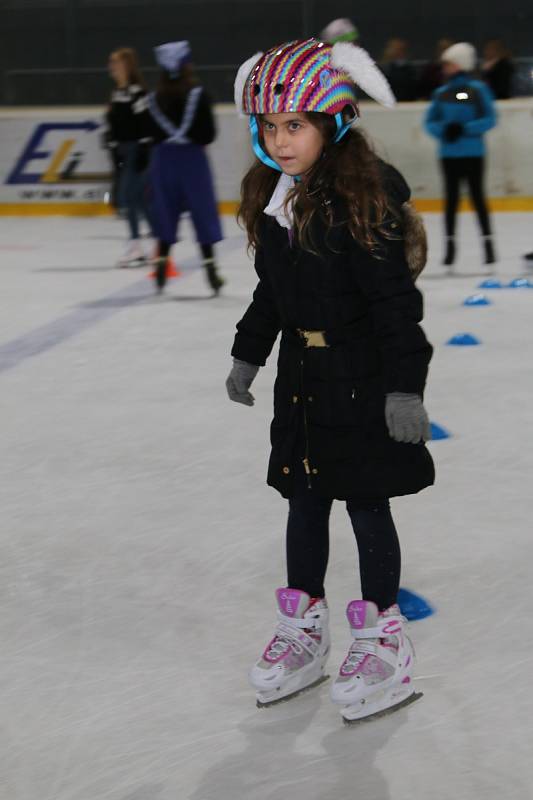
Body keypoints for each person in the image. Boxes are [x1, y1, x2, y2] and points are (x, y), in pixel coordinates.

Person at [226, 38, 435, 723]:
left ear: (332, 123)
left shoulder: (360, 205)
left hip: (362, 376)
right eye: (269, 127)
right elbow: (270, 295)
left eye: (295, 126)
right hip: (303, 380)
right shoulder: (278, 202)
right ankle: (305, 627)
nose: (280, 141)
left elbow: (395, 306)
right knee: (303, 500)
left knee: (367, 503)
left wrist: (405, 387)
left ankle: (382, 637)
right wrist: (248, 353)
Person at [146, 41, 224, 294]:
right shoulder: (198, 94)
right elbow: (208, 134)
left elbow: (149, 134)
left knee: (166, 211)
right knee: (202, 211)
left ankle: (160, 262)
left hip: (163, 160)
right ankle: (210, 266)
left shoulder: (153, 98)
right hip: (192, 161)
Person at [424, 42, 497, 268]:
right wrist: (443, 130)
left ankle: (488, 245)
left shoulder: (478, 90)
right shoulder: (441, 93)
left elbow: (490, 119)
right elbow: (429, 122)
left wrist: (465, 128)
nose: (444, 68)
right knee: (451, 200)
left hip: (473, 153)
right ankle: (450, 247)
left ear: (460, 64)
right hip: (449, 154)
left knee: (478, 198)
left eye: (448, 64)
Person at [105, 48, 154, 267]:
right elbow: (115, 125)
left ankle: (136, 244)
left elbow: (145, 122)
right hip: (124, 151)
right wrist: (114, 147)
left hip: (137, 150)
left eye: (116, 63)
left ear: (126, 66)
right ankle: (158, 241)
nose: (112, 68)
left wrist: (144, 147)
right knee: (137, 199)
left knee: (129, 196)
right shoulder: (117, 92)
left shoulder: (136, 92)